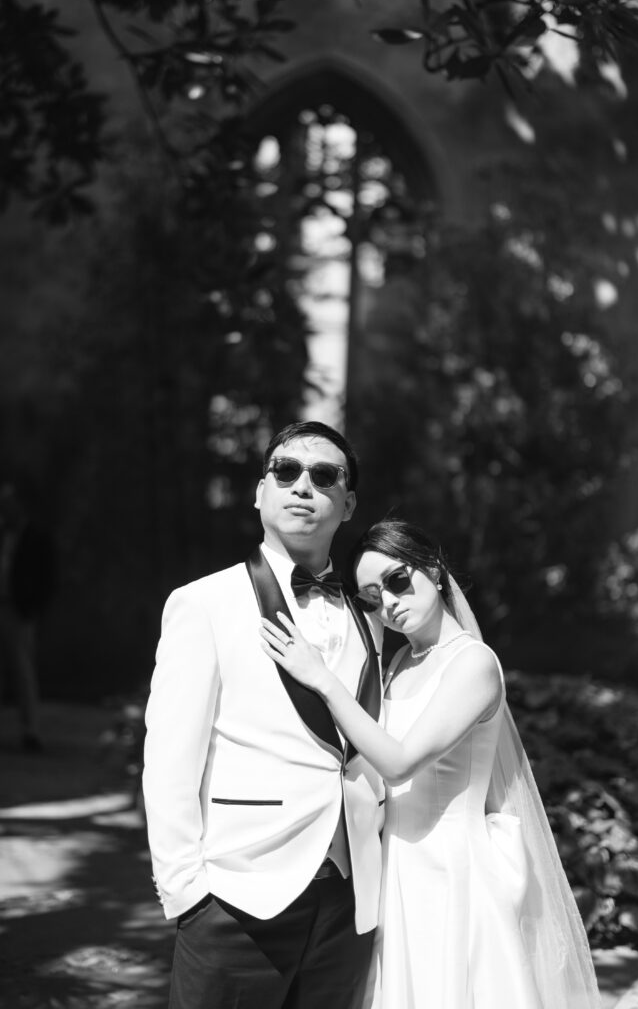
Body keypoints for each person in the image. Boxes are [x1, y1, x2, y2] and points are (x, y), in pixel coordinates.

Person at [261, 518, 602, 1009]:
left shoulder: (474, 664)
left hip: (453, 872)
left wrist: (320, 678)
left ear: (435, 571)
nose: (391, 603)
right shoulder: (400, 664)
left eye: (398, 580)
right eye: (372, 598)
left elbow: (399, 763)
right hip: (397, 869)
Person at [143, 421, 384, 1009]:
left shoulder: (374, 613)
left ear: (347, 503)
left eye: (324, 476)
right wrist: (188, 897)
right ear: (260, 491)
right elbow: (170, 759)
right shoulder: (203, 603)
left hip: (351, 899)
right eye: (285, 471)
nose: (303, 485)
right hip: (236, 896)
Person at [0, 483, 57, 753]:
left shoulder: (36, 537)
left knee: (21, 668)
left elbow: (47, 576)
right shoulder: (3, 534)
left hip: (18, 610)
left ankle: (30, 730)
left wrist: (33, 607)